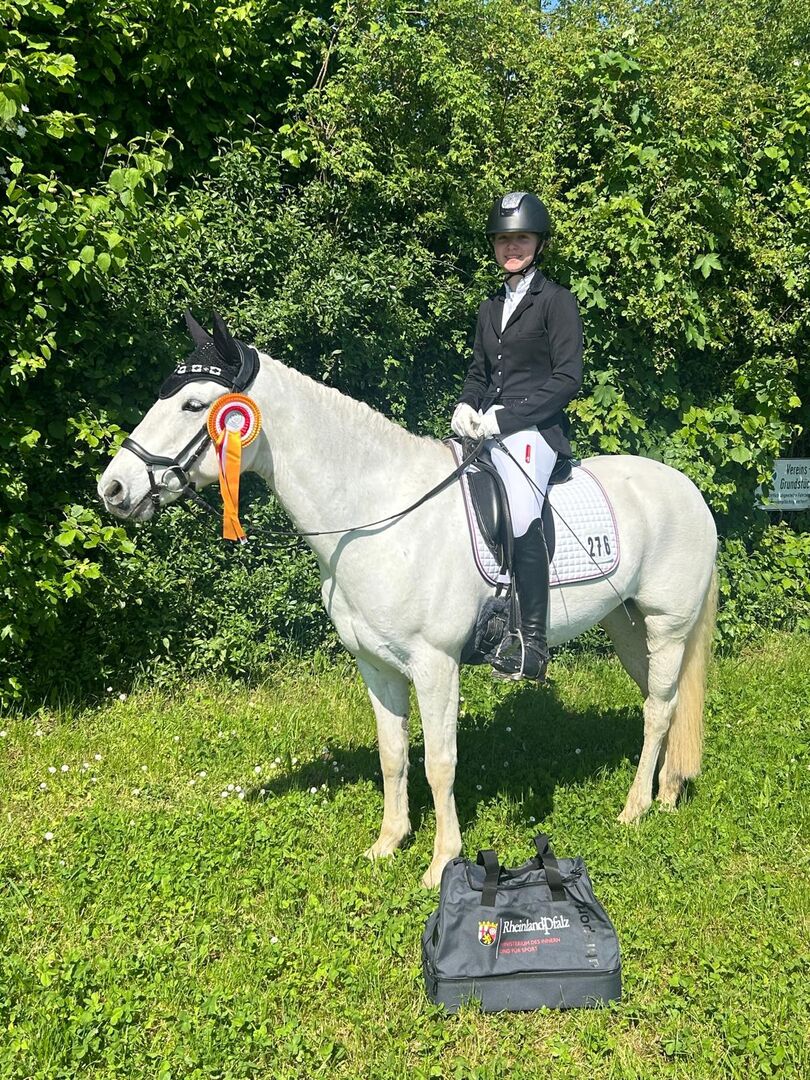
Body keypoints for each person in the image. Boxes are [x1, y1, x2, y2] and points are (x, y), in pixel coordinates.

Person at [451, 192, 584, 680]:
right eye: (504, 239)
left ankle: (532, 645)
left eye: (521, 238)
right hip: (488, 428)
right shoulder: (489, 307)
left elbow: (567, 378)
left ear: (539, 244)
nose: (512, 247)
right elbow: (479, 372)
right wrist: (466, 405)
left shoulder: (557, 301)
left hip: (537, 432)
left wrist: (506, 419)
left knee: (522, 506)